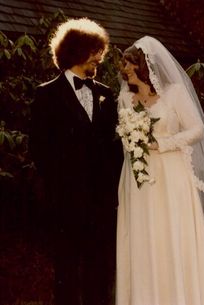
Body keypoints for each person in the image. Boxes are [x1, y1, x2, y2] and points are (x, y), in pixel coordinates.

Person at [116, 36, 204, 305]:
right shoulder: (125, 97)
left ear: (143, 66)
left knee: (171, 235)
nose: (126, 72)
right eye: (124, 67)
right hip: (138, 178)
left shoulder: (175, 93)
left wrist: (164, 143)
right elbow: (125, 138)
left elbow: (197, 130)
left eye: (130, 66)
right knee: (144, 237)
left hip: (172, 175)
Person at [29, 17, 122, 305]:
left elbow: (113, 148)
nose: (100, 58)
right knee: (66, 268)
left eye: (100, 52)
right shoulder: (46, 94)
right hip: (65, 201)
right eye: (95, 51)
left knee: (99, 269)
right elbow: (39, 148)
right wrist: (60, 187)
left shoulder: (106, 94)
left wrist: (109, 190)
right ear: (75, 51)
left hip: (101, 203)